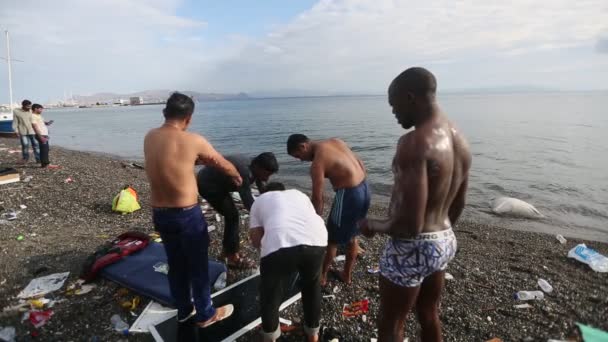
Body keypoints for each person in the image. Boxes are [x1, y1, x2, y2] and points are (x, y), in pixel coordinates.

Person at [358, 67, 472, 342]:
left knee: (391, 322)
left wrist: (373, 224)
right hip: (444, 239)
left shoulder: (414, 143)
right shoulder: (459, 138)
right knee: (428, 312)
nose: (394, 113)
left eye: (394, 105)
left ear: (410, 98)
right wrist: (436, 240)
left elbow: (408, 226)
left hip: (413, 245)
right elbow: (460, 203)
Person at [144, 92, 242, 328]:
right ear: (188, 118)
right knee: (198, 266)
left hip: (160, 213)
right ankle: (206, 314)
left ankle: (184, 310)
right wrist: (237, 176)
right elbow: (221, 163)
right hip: (186, 215)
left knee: (176, 265)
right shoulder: (193, 140)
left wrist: (194, 161)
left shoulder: (150, 137)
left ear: (164, 113)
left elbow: (171, 161)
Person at [287, 134, 370, 285]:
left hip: (349, 195)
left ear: (303, 146)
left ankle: (322, 276)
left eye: (298, 156)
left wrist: (315, 222)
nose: (300, 160)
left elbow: (318, 198)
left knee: (332, 239)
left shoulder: (318, 163)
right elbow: (360, 163)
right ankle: (346, 275)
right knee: (352, 236)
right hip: (365, 188)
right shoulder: (336, 141)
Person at [249, 182, 327, 342]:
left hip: (278, 244)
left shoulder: (259, 200)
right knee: (312, 287)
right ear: (283, 190)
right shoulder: (299, 194)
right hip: (317, 239)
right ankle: (313, 335)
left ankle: (270, 337)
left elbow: (256, 240)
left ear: (265, 192)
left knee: (270, 294)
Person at [197, 152, 278, 268]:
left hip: (219, 182)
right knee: (233, 217)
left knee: (232, 215)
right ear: (258, 167)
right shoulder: (244, 172)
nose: (267, 178)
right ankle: (232, 257)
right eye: (266, 174)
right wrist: (265, 221)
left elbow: (261, 187)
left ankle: (227, 251)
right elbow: (248, 202)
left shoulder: (255, 165)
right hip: (208, 184)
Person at [12, 100, 40, 164]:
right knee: (25, 145)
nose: (29, 107)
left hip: (33, 131)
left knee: (36, 145)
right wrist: (16, 130)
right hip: (23, 132)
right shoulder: (16, 111)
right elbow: (15, 122)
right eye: (28, 106)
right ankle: (25, 159)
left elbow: (37, 120)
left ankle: (38, 159)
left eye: (30, 106)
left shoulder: (32, 111)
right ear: (23, 106)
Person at [30, 104, 56, 168]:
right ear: (35, 109)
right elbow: (34, 127)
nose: (42, 110)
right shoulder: (33, 116)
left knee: (45, 149)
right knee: (44, 150)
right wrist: (40, 137)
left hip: (44, 134)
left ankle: (44, 164)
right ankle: (46, 164)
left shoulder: (38, 115)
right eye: (40, 109)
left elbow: (42, 123)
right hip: (41, 135)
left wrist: (48, 123)